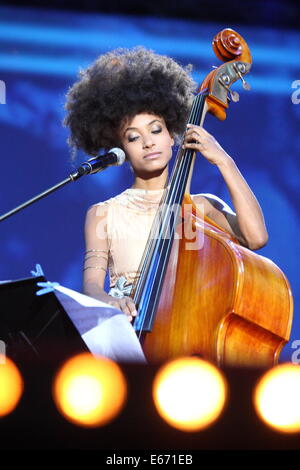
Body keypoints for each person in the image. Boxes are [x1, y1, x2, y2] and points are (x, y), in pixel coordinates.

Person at [64, 47, 268, 324]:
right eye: (133, 137)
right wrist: (112, 301)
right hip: (128, 334)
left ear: (172, 136)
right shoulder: (103, 213)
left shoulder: (200, 208)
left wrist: (224, 161)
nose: (148, 142)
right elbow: (90, 288)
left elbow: (256, 238)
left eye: (156, 130)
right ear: (121, 149)